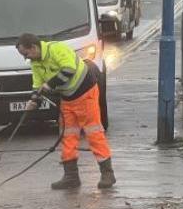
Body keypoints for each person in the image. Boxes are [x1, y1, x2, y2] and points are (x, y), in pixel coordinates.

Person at [15, 33, 116, 189]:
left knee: (93, 133)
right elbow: (37, 85)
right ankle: (71, 177)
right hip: (68, 99)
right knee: (68, 135)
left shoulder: (57, 49)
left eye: (26, 54)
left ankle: (107, 174)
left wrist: (50, 84)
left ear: (33, 47)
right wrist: (34, 99)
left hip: (85, 93)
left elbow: (69, 69)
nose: (26, 58)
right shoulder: (35, 63)